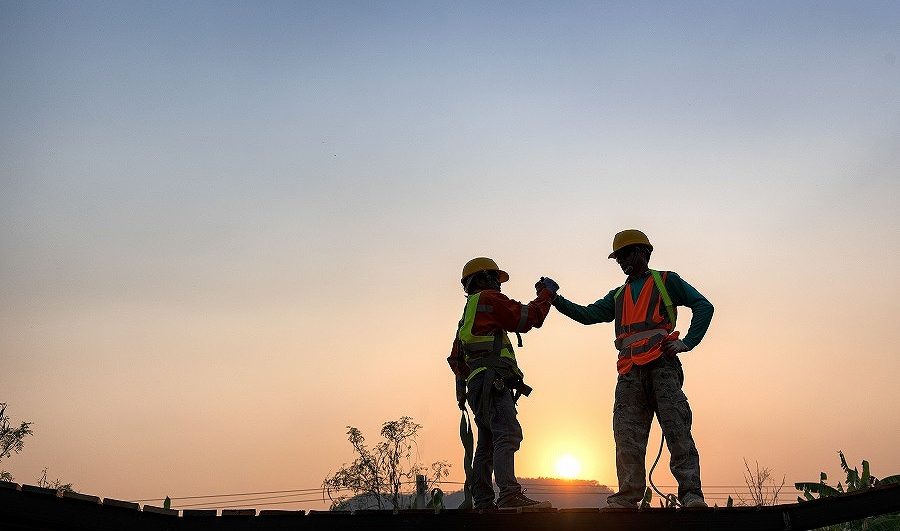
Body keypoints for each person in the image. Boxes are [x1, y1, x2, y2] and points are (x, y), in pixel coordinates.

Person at [545, 229, 713, 509]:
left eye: (627, 254)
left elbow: (703, 306)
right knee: (626, 436)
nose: (622, 261)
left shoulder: (666, 281)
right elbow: (587, 315)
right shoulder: (619, 295)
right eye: (619, 257)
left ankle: (691, 494)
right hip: (629, 372)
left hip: (662, 366)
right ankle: (628, 495)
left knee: (677, 430)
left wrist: (687, 343)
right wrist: (554, 299)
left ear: (643, 252)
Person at [447, 257, 557, 510]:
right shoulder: (488, 299)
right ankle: (509, 494)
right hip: (491, 383)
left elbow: (455, 359)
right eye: (496, 278)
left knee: (487, 442)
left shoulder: (467, 315)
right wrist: (546, 294)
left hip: (479, 385)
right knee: (507, 434)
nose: (499, 284)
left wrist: (474, 378)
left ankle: (484, 500)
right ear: (483, 278)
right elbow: (527, 318)